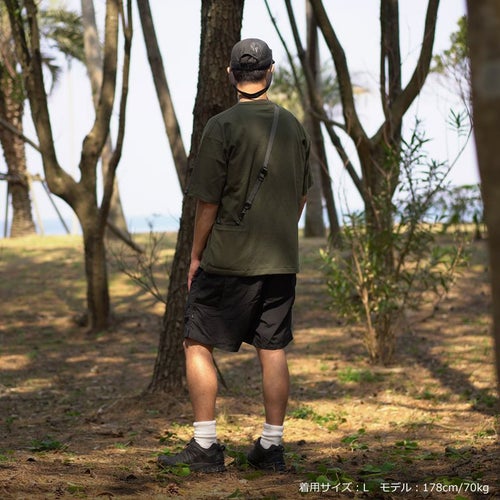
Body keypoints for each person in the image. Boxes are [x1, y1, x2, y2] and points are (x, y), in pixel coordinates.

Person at [158, 38, 311, 473]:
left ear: (230, 74)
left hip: (227, 259)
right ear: (271, 71)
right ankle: (271, 447)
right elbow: (301, 195)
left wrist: (195, 255)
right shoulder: (292, 126)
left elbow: (207, 202)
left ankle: (206, 446)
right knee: (273, 347)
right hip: (280, 260)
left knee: (196, 342)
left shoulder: (221, 126)